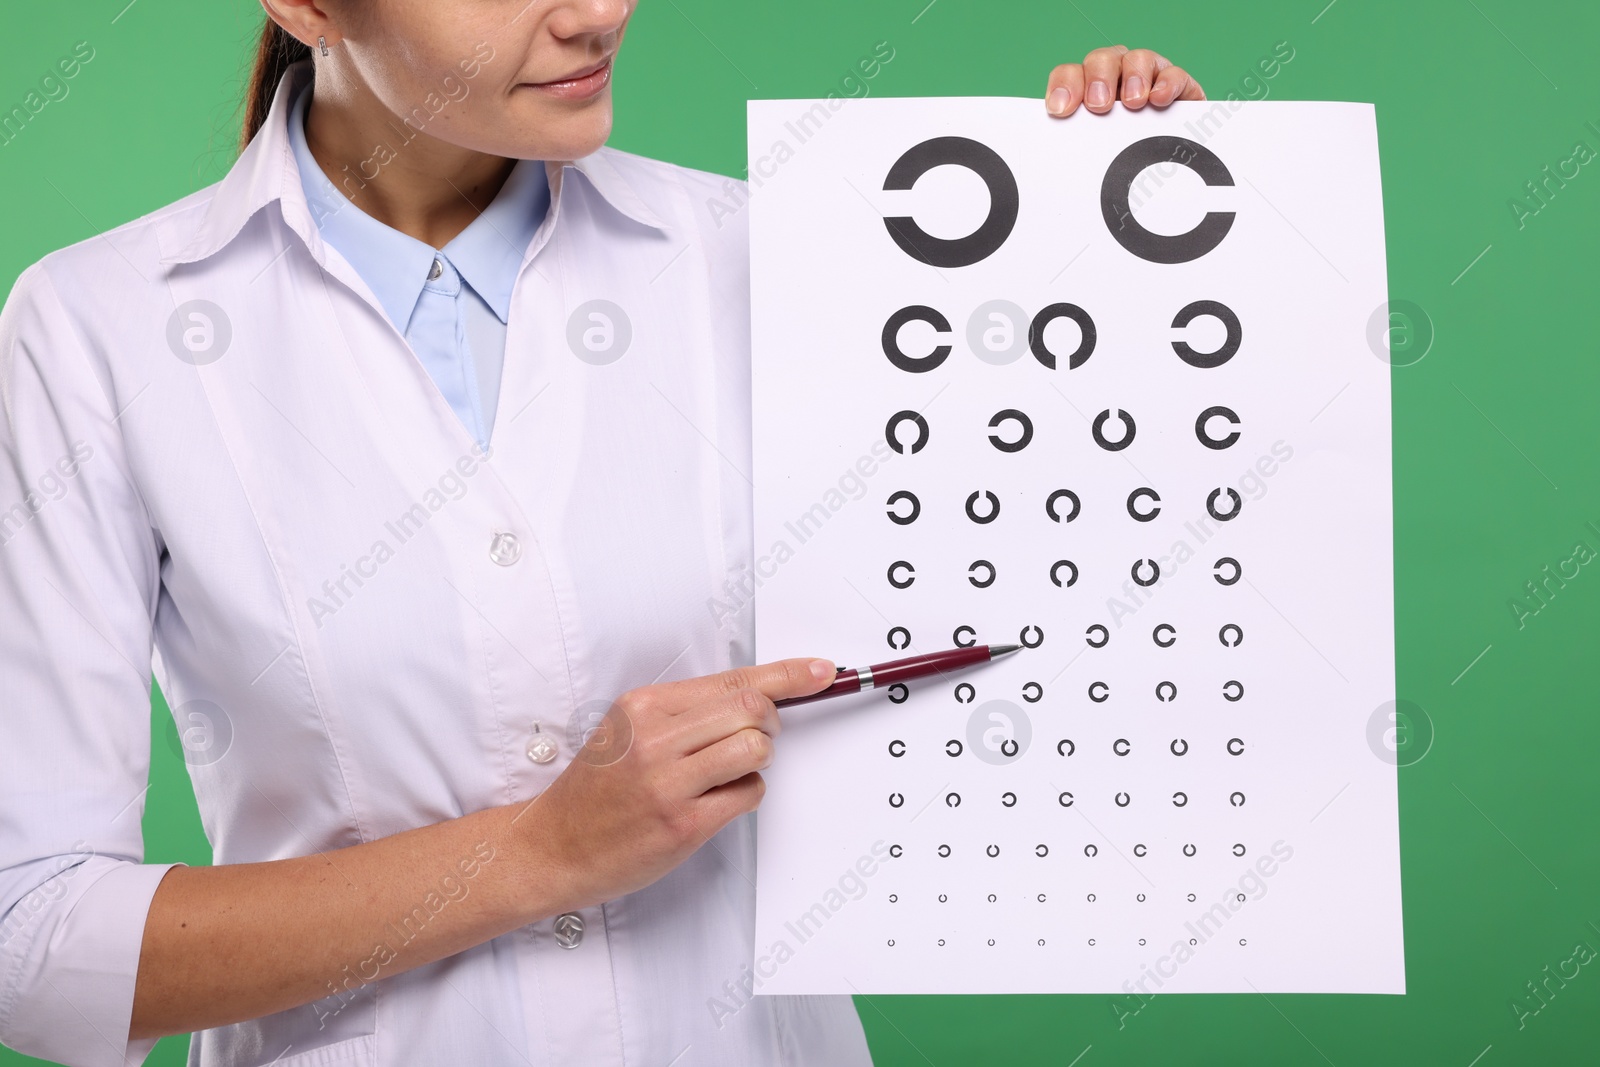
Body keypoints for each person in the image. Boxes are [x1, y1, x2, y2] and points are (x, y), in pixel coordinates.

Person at [0, 0, 1205, 1062]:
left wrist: (1121, 220)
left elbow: (1063, 569)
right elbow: (32, 940)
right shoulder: (99, 331)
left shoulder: (778, 254)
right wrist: (539, 850)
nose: (599, 12)